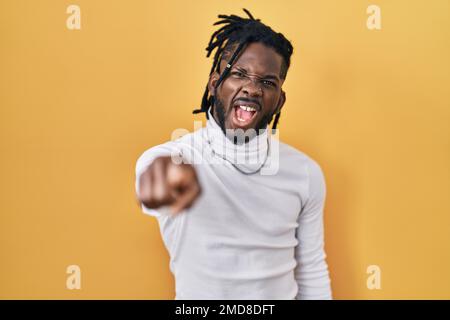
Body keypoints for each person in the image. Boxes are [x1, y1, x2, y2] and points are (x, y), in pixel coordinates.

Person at [135, 8, 332, 299]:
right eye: (239, 74)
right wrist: (163, 184)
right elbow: (153, 184)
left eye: (267, 82)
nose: (252, 88)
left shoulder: (305, 172)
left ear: (279, 100)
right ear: (215, 84)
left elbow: (311, 269)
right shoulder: (174, 158)